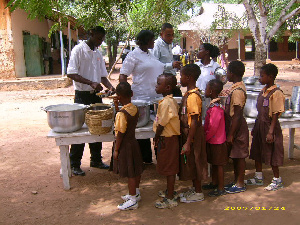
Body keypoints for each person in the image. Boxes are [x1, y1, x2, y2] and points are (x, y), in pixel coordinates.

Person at [67, 26, 115, 176]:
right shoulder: (78, 50)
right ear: (90, 34)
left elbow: (101, 76)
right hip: (82, 95)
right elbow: (71, 73)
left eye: (102, 39)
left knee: (97, 127)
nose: (100, 42)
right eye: (98, 38)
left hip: (96, 95)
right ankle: (74, 164)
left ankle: (96, 159)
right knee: (80, 129)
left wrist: (111, 87)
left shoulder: (97, 53)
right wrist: (91, 83)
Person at [119, 30, 164, 164]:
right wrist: (125, 94)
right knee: (142, 129)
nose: (153, 42)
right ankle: (145, 159)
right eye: (151, 40)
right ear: (144, 41)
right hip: (141, 97)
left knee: (158, 127)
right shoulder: (133, 56)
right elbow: (123, 75)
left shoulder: (151, 54)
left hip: (156, 97)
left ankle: (160, 156)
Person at [245, 64, 285, 191]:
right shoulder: (263, 91)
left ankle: (277, 179)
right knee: (257, 150)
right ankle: (258, 176)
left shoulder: (276, 93)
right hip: (260, 124)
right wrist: (256, 128)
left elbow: (275, 114)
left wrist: (271, 132)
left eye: (262, 76)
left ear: (271, 76)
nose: (260, 78)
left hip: (269, 126)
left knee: (272, 152)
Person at [178, 64, 207, 203]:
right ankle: (195, 188)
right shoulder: (188, 94)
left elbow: (194, 120)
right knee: (191, 161)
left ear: (188, 78)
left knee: (196, 161)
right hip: (188, 133)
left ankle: (199, 192)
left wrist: (188, 142)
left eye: (181, 76)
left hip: (193, 135)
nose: (180, 78)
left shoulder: (193, 97)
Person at [113, 82, 143, 210]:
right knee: (136, 169)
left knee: (130, 172)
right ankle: (135, 192)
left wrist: (116, 150)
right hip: (133, 142)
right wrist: (117, 106)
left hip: (125, 145)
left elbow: (120, 134)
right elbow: (124, 113)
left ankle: (132, 200)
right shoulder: (134, 108)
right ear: (131, 94)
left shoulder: (121, 114)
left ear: (118, 96)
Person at [153, 74, 180, 209]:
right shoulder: (169, 101)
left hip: (168, 139)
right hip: (169, 138)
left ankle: (170, 197)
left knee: (169, 168)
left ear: (167, 87)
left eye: (158, 83)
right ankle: (169, 191)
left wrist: (156, 137)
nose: (156, 86)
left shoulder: (166, 103)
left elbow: (162, 124)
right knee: (169, 166)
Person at [224, 61, 249, 194]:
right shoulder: (234, 88)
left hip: (237, 127)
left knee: (239, 156)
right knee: (234, 155)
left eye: (227, 72)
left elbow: (237, 115)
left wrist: (231, 134)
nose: (226, 74)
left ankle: (240, 183)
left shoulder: (238, 91)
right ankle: (235, 181)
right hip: (233, 126)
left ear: (232, 73)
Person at [203, 79, 228, 197]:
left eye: (207, 88)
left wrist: (205, 137)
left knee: (218, 165)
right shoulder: (213, 106)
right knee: (214, 163)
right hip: (213, 140)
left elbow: (212, 127)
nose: (205, 90)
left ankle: (221, 187)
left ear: (211, 91)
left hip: (217, 141)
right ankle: (214, 183)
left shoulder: (216, 108)